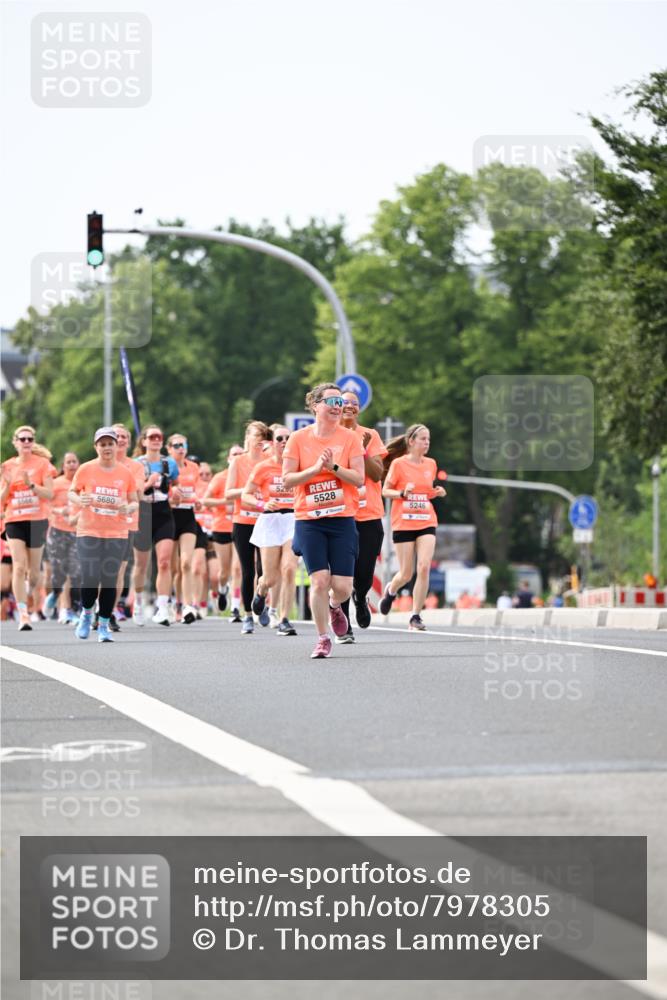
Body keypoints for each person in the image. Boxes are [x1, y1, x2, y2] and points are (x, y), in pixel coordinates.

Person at [283, 383, 364, 659]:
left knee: (342, 587)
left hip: (342, 519)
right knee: (319, 580)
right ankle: (322, 638)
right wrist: (315, 469)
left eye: (339, 402)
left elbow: (359, 478)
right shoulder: (297, 439)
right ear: (315, 405)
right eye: (330, 401)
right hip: (309, 520)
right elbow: (287, 479)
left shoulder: (350, 438)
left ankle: (334, 605)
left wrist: (334, 468)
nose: (336, 406)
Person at [68, 427, 139, 643]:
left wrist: (129, 508)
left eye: (110, 444)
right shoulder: (86, 469)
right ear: (96, 447)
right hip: (88, 529)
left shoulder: (125, 473)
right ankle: (86, 614)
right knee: (90, 576)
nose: (107, 448)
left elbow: (134, 500)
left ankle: (104, 625)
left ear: (116, 446)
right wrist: (80, 501)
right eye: (103, 444)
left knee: (109, 579)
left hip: (116, 532)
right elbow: (72, 492)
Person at [380, 424, 446, 631]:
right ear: (411, 441)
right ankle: (391, 589)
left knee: (424, 566)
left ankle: (416, 616)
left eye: (428, 439)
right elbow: (385, 491)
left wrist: (437, 492)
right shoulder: (399, 464)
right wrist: (401, 493)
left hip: (426, 519)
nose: (427, 443)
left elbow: (426, 491)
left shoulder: (431, 464)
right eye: (423, 439)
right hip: (404, 522)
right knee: (406, 573)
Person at [338, 390, 387, 643]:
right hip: (341, 513)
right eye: (345, 403)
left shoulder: (371, 435)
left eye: (354, 404)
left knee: (365, 571)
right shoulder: (330, 435)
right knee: (343, 571)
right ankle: (344, 625)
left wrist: (364, 450)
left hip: (369, 514)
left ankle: (361, 596)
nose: (349, 407)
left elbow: (377, 474)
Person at [243, 424, 298, 637]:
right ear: (271, 443)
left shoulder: (298, 466)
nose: (284, 442)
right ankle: (261, 590)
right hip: (270, 521)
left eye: (288, 438)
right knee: (271, 577)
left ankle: (284, 619)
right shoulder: (263, 468)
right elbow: (246, 494)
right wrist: (262, 505)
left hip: (293, 519)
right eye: (280, 438)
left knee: (290, 568)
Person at [0, 425, 55, 630]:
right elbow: (1, 500)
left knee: (33, 574)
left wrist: (31, 484)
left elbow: (49, 494)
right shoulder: (7, 466)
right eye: (21, 439)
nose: (25, 443)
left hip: (37, 520)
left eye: (29, 439)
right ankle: (23, 614)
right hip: (14, 519)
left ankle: (27, 590)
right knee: (19, 565)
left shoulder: (43, 464)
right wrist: (6, 486)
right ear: (14, 442)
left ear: (33, 442)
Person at [225, 422, 271, 635]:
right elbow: (228, 493)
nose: (259, 441)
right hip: (242, 520)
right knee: (247, 570)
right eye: (256, 437)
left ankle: (261, 601)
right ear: (248, 438)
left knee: (264, 570)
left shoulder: (268, 461)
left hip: (264, 520)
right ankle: (247, 615)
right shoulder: (238, 461)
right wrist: (249, 490)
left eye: (263, 437)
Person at [131, 424, 179, 626]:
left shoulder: (170, 463)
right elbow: (132, 492)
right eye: (152, 437)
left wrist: (176, 493)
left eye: (159, 436)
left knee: (164, 561)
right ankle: (139, 602)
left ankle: (162, 607)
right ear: (144, 441)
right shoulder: (135, 464)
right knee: (141, 565)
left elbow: (175, 486)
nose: (156, 440)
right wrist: (148, 482)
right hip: (143, 513)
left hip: (163, 512)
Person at [166, 432, 200, 624]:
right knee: (173, 567)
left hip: (187, 515)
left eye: (183, 445)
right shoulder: (165, 467)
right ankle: (173, 602)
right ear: (169, 449)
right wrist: (172, 497)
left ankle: (188, 605)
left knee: (186, 563)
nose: (181, 448)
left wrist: (197, 501)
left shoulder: (193, 467)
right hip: (170, 516)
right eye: (176, 445)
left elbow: (195, 491)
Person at [44, 451, 81, 625]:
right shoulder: (57, 483)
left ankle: (65, 605)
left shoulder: (82, 484)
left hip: (76, 531)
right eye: (69, 462)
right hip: (57, 531)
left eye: (75, 461)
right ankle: (62, 605)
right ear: (63, 466)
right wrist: (61, 511)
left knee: (74, 572)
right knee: (60, 571)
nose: (72, 465)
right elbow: (46, 506)